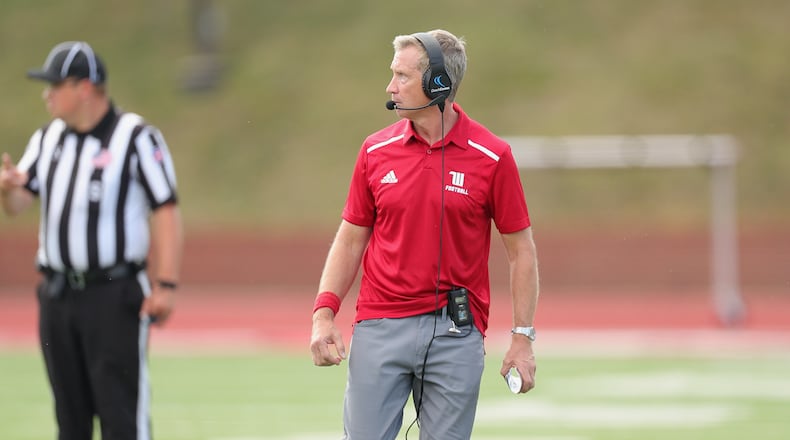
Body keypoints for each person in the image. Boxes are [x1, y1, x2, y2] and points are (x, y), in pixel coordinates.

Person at [309, 29, 540, 439]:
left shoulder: (492, 156)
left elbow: (521, 251)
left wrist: (522, 338)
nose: (390, 87)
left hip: (456, 332)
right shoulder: (374, 151)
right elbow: (350, 239)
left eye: (402, 76)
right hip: (380, 325)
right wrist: (324, 313)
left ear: (438, 84)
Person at [0, 41, 182, 440]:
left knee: (121, 415)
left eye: (55, 84)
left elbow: (165, 208)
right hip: (58, 294)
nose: (47, 94)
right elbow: (18, 204)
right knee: (70, 417)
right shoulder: (49, 139)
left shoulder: (134, 137)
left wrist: (165, 282)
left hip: (113, 294)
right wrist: (7, 187)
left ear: (84, 88)